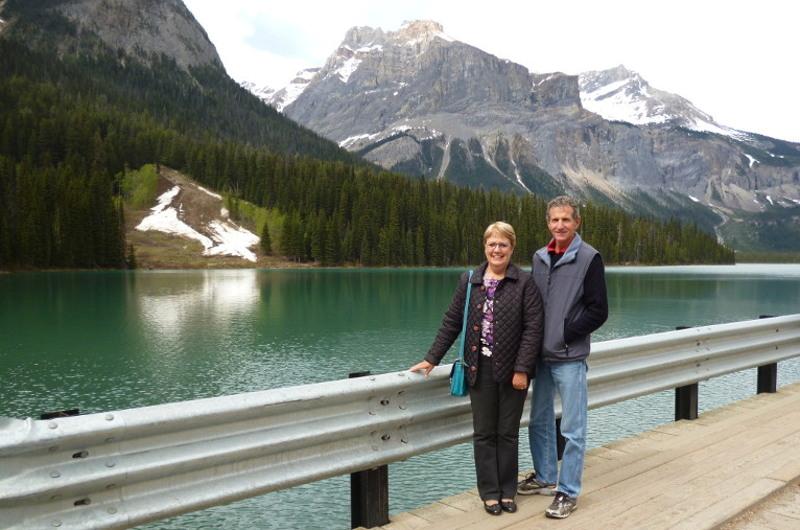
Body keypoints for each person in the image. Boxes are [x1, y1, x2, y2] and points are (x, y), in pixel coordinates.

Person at [410, 221, 543, 516]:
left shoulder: (524, 283)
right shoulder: (469, 280)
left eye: (503, 245)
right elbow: (452, 322)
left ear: (512, 248)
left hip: (513, 373)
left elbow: (534, 329)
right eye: (492, 244)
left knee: (507, 433)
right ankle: (490, 494)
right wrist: (432, 358)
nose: (497, 250)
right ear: (485, 247)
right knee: (484, 433)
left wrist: (522, 369)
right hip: (478, 370)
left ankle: (508, 491)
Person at [517, 196, 608, 519]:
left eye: (566, 220)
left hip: (569, 356)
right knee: (538, 421)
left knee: (572, 429)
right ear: (548, 223)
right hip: (541, 357)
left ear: (577, 222)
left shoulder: (589, 257)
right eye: (554, 220)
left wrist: (566, 332)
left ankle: (567, 492)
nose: (560, 226)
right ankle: (544, 477)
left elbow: (599, 310)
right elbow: (531, 304)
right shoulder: (539, 257)